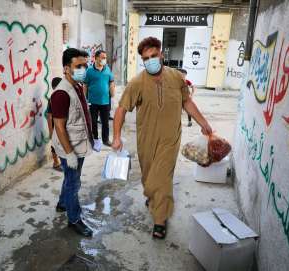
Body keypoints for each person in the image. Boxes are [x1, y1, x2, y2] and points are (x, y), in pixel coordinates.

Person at [112, 37, 212, 239]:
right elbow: (121, 109)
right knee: (149, 178)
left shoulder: (176, 78)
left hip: (170, 138)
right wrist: (116, 136)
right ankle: (154, 197)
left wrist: (204, 123)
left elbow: (187, 102)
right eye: (146, 58)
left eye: (153, 56)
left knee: (162, 178)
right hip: (146, 140)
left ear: (161, 55)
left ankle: (160, 220)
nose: (150, 60)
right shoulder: (137, 83)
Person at [50, 48, 94, 237]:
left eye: (85, 65)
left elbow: (81, 115)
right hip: (70, 148)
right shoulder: (61, 93)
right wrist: (69, 154)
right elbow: (59, 126)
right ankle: (74, 219)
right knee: (74, 183)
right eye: (79, 66)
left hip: (79, 143)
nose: (83, 69)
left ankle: (62, 203)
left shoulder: (77, 85)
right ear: (67, 68)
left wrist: (93, 137)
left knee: (70, 178)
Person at [84, 50, 115, 147]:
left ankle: (106, 140)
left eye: (105, 57)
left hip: (105, 101)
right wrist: (85, 99)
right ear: (96, 58)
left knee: (105, 122)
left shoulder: (107, 69)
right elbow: (85, 85)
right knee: (93, 121)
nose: (104, 59)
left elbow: (111, 82)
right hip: (93, 101)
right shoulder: (89, 71)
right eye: (102, 57)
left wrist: (112, 95)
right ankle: (95, 139)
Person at [46, 77, 63, 171]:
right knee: (55, 144)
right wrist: (51, 131)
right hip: (55, 126)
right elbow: (49, 116)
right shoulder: (52, 99)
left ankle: (62, 161)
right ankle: (56, 163)